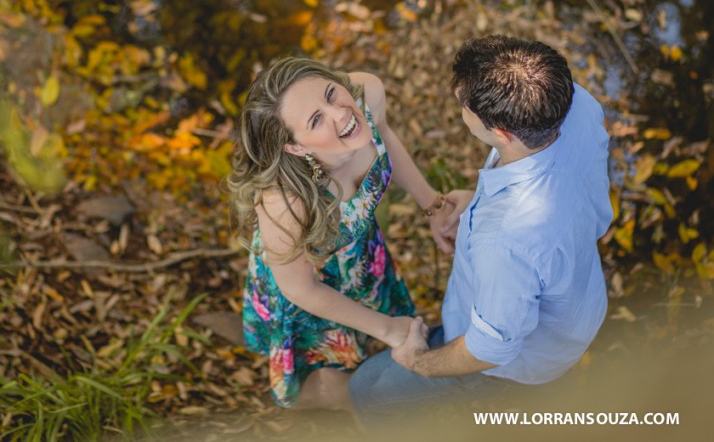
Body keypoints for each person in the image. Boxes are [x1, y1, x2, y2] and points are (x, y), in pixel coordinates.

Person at [349, 35, 613, 419]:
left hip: (523, 359)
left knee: (367, 390)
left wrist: (421, 361)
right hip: (577, 303)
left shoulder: (504, 242)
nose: (460, 107)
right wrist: (477, 201)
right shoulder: (576, 104)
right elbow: (565, 187)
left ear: (503, 134)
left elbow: (490, 349)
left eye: (464, 105)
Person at [227, 57, 452, 410]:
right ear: (296, 147)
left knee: (369, 336)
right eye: (316, 120)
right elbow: (299, 288)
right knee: (327, 377)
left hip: (362, 258)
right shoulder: (284, 201)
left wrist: (432, 206)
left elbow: (385, 135)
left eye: (331, 93)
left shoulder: (366, 94)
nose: (341, 114)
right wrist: (390, 330)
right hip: (311, 283)